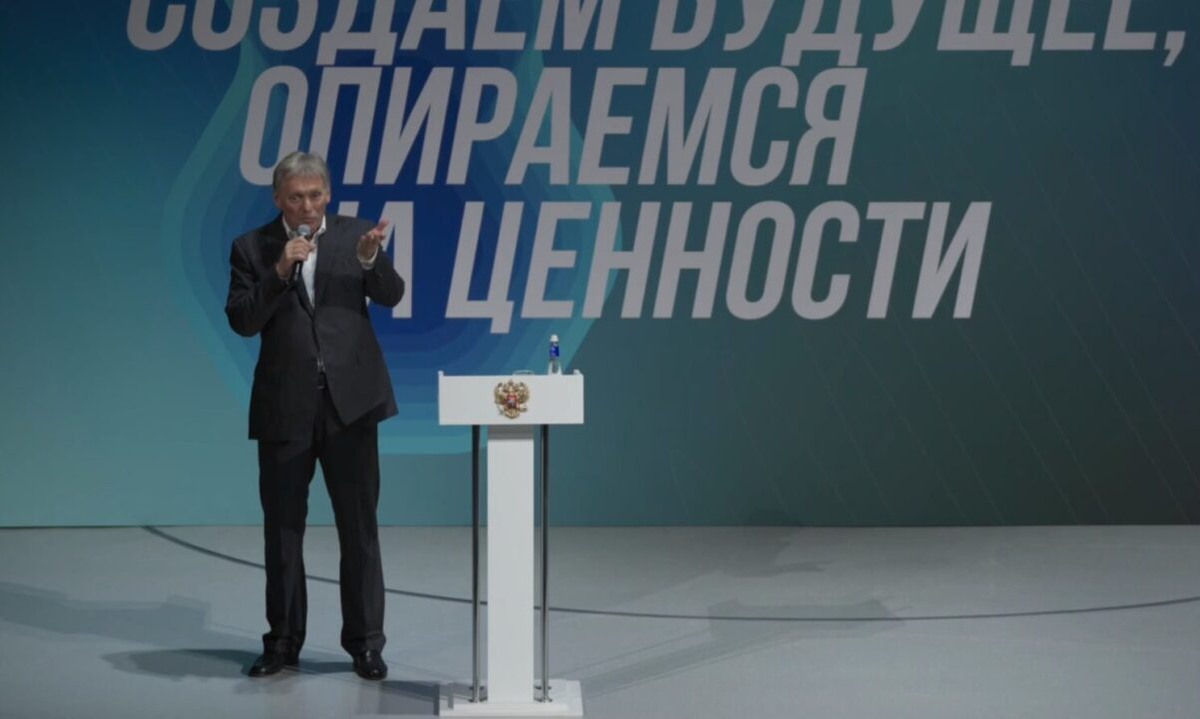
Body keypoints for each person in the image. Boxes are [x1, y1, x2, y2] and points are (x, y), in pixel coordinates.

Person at [225, 151, 404, 680]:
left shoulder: (356, 237)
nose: (307, 206)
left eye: (316, 195)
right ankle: (282, 642)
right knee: (283, 531)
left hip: (351, 406)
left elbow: (392, 294)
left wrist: (372, 261)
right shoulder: (252, 248)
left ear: (328, 194)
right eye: (296, 197)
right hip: (286, 408)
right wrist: (280, 270)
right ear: (278, 198)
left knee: (359, 529)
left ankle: (366, 645)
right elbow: (242, 320)